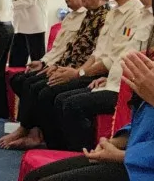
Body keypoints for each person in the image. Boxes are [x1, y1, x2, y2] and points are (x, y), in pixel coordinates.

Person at [54, 0, 154, 151]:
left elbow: (126, 60)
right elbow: (106, 54)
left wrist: (81, 73)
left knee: (70, 104)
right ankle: (64, 152)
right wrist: (106, 77)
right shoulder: (141, 15)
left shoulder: (136, 14)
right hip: (113, 82)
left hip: (127, 91)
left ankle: (81, 155)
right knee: (60, 98)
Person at [0, 0, 109, 149]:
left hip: (87, 72)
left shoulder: (105, 17)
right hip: (72, 67)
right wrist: (49, 65)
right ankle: (34, 132)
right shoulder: (89, 16)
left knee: (41, 90)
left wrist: (74, 72)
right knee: (25, 81)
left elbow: (96, 55)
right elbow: (69, 49)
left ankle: (47, 141)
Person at [23, 49, 154, 181]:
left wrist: (122, 155)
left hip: (143, 167)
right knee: (33, 177)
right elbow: (146, 121)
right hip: (135, 156)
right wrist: (116, 142)